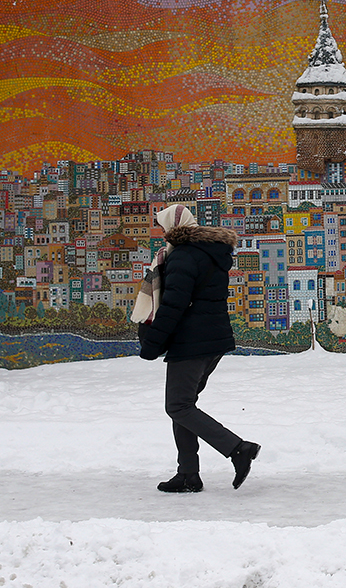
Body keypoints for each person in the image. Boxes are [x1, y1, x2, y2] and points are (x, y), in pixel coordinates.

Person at [136, 205, 261, 493]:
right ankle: (188, 474)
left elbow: (174, 306)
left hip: (191, 342)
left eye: (163, 226)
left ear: (172, 226)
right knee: (184, 407)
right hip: (210, 341)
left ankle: (238, 448)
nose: (162, 232)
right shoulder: (210, 252)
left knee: (178, 406)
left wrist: (152, 343)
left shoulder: (183, 257)